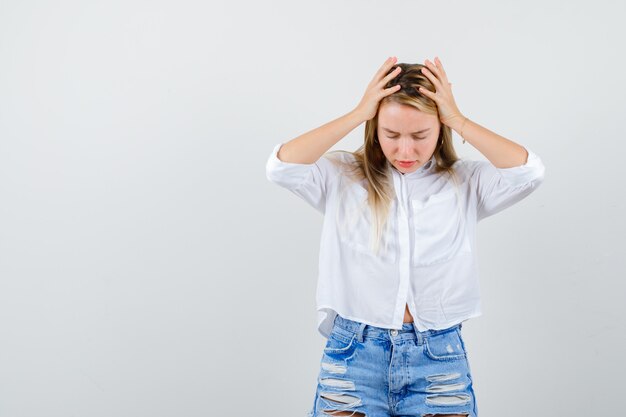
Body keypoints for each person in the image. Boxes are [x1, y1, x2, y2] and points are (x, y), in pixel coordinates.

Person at [265, 56, 545, 417]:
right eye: (392, 135)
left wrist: (458, 118)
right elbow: (281, 167)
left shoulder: (464, 182)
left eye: (420, 135)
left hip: (438, 360)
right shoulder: (342, 177)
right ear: (375, 129)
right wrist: (357, 113)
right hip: (353, 358)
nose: (405, 150)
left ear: (440, 130)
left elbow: (529, 172)